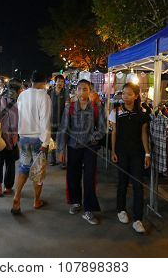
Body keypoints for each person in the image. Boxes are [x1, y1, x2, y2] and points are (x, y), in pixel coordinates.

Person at [57, 79, 105, 225]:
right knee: (73, 175)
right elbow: (63, 128)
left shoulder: (97, 107)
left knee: (90, 177)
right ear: (76, 91)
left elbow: (102, 129)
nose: (82, 92)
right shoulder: (69, 108)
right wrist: (61, 149)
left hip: (90, 148)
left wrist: (93, 137)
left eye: (85, 89)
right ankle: (76, 201)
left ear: (90, 91)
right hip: (73, 147)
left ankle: (89, 209)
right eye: (80, 89)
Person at [110, 82, 151, 234]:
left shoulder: (142, 113)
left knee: (138, 184)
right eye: (123, 93)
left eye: (129, 94)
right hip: (121, 152)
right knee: (122, 182)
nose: (125, 96)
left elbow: (144, 134)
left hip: (137, 153)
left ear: (136, 96)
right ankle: (121, 210)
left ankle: (138, 219)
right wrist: (113, 151)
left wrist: (147, 153)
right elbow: (114, 133)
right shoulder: (115, 111)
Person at [11, 71, 51, 214]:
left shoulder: (22, 95)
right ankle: (36, 201)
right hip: (37, 139)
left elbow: (18, 116)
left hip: (24, 137)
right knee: (38, 171)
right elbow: (45, 121)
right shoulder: (44, 96)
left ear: (31, 80)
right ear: (44, 82)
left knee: (23, 168)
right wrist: (45, 143)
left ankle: (17, 196)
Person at [0, 78, 22, 197]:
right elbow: (20, 121)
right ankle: (8, 187)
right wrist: (15, 135)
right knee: (10, 163)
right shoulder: (19, 103)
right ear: (17, 90)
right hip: (12, 138)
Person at [47, 75, 69, 166]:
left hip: (62, 121)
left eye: (62, 82)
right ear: (55, 82)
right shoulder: (49, 92)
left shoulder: (65, 92)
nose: (60, 83)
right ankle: (53, 159)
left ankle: (62, 161)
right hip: (51, 120)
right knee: (52, 141)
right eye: (59, 81)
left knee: (62, 141)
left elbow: (67, 105)